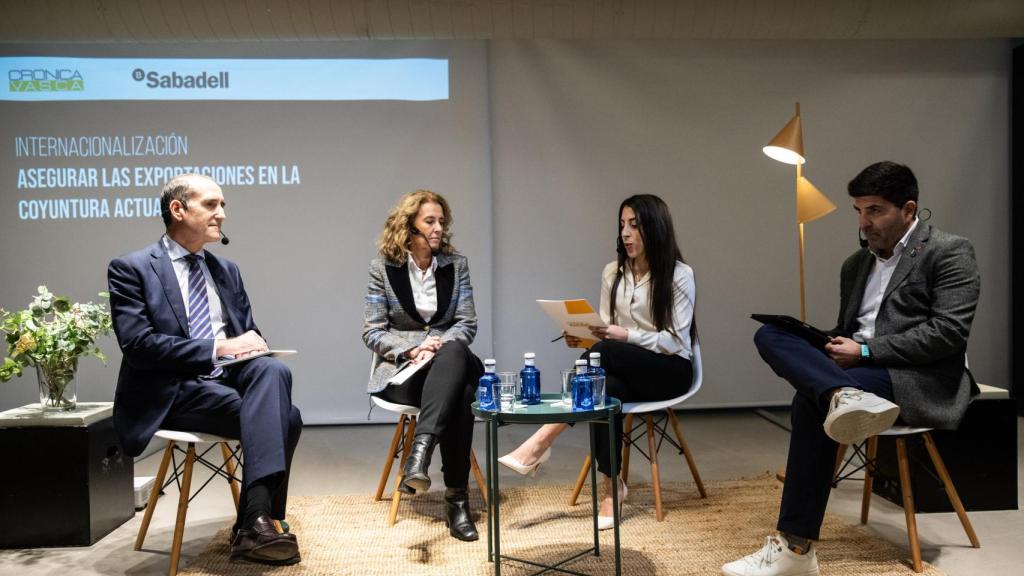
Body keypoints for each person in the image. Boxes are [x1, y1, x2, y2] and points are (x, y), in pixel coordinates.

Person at [722, 161, 980, 576]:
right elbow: (849, 330)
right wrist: (825, 341)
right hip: (862, 371)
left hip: (918, 377)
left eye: (874, 210)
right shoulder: (855, 264)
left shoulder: (949, 252)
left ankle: (796, 550)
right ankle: (841, 393)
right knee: (770, 334)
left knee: (810, 401)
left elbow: (946, 335)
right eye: (858, 210)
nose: (863, 222)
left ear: (908, 209)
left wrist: (863, 353)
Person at [107, 174, 302, 566]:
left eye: (223, 205)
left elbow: (246, 332)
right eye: (212, 205)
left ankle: (253, 524)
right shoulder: (131, 269)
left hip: (226, 381)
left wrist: (254, 345)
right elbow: (140, 347)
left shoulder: (226, 270)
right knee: (289, 417)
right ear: (178, 210)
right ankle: (259, 521)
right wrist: (218, 347)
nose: (222, 214)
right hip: (172, 389)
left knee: (273, 372)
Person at [499, 194, 696, 530]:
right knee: (605, 390)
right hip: (623, 366)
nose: (626, 233)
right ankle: (611, 488)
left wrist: (623, 336)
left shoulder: (680, 274)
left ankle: (541, 441)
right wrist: (584, 337)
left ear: (655, 228)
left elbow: (676, 340)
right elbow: (606, 331)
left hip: (670, 369)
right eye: (622, 225)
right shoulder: (612, 272)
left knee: (605, 356)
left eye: (634, 225)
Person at [362, 189, 483, 542]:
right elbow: (372, 331)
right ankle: (456, 500)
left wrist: (440, 346)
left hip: (450, 358)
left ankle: (420, 453)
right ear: (409, 226)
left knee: (455, 353)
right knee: (462, 392)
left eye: (441, 222)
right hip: (406, 371)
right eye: (429, 221)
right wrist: (414, 348)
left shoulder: (455, 265)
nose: (438, 228)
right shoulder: (382, 269)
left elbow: (467, 323)